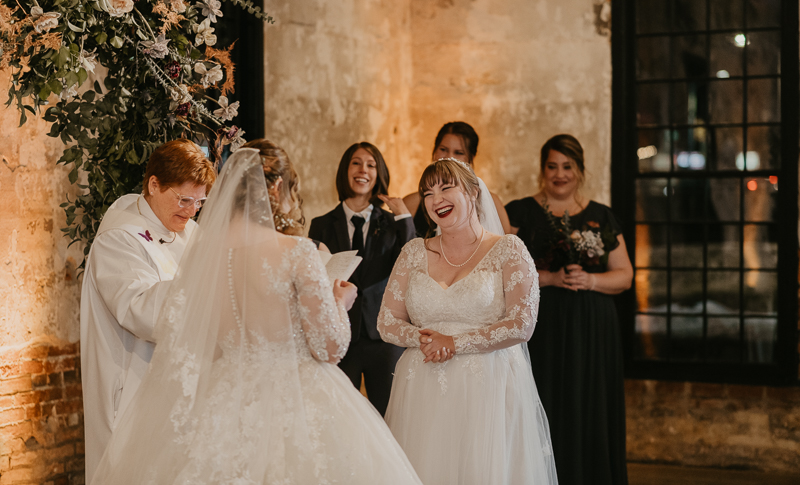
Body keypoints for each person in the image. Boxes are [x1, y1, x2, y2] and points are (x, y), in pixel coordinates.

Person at [90, 144, 423, 484]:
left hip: (226, 397)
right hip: (295, 397)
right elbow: (330, 348)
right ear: (277, 188)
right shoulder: (297, 251)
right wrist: (338, 300)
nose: (192, 211)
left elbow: (208, 335)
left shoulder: (205, 256)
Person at [378, 158, 558, 485]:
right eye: (428, 192)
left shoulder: (508, 249)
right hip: (423, 386)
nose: (436, 200)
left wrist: (455, 343)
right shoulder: (413, 252)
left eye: (446, 188)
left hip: (488, 384)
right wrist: (423, 340)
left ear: (473, 192)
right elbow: (387, 321)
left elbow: (522, 323)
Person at [80, 139, 216, 483]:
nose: (191, 210)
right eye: (184, 199)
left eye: (199, 202)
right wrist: (205, 288)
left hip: (179, 384)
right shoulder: (119, 238)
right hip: (132, 382)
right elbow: (139, 309)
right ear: (154, 184)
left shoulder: (188, 230)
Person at [505, 134, 633, 485]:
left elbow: (625, 275)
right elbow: (501, 272)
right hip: (542, 328)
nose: (560, 174)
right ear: (542, 170)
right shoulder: (521, 213)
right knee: (545, 400)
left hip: (593, 331)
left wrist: (590, 281)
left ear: (580, 170)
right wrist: (549, 277)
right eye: (552, 166)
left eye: (567, 167)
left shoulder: (601, 216)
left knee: (589, 406)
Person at [308, 142, 416, 415]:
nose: (363, 170)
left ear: (379, 174)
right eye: (356, 163)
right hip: (341, 332)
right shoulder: (321, 223)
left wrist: (404, 216)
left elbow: (414, 263)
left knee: (390, 414)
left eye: (370, 164)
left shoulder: (393, 224)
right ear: (345, 170)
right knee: (339, 414)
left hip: (383, 337)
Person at [403, 121, 511, 237]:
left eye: (458, 152)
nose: (449, 157)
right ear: (434, 151)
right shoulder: (411, 203)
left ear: (471, 158)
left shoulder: (492, 201)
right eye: (443, 149)